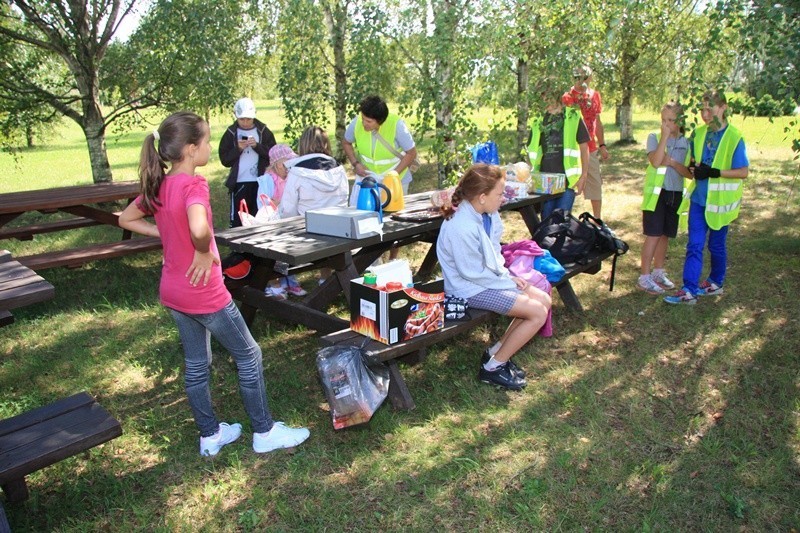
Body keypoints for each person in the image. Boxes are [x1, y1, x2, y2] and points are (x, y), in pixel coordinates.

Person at [119, 111, 309, 456]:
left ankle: (210, 435)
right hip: (204, 291)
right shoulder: (194, 184)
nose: (210, 146)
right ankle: (264, 432)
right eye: (206, 140)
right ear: (191, 149)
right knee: (250, 355)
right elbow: (198, 228)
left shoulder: (160, 184)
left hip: (173, 291)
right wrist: (204, 249)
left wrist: (165, 233)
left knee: (196, 364)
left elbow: (126, 218)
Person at [436, 164, 552, 391]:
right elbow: (471, 273)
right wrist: (507, 282)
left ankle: (495, 354)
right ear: (481, 197)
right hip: (468, 289)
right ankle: (493, 369)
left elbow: (494, 252)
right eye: (499, 194)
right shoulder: (461, 226)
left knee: (544, 300)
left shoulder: (486, 214)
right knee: (536, 313)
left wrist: (508, 275)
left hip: (486, 281)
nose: (503, 198)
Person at [664, 90, 749, 305]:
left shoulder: (734, 137)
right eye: (702, 109)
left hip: (720, 204)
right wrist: (695, 169)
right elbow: (694, 163)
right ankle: (689, 290)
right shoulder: (699, 134)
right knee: (694, 245)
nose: (705, 113)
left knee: (716, 246)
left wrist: (714, 172)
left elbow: (743, 171)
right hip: (699, 200)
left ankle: (715, 282)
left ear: (723, 108)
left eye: (710, 108)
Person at [343, 95, 417, 260]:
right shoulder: (356, 123)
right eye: (363, 118)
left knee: (393, 223)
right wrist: (356, 164)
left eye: (369, 121)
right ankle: (371, 261)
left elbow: (412, 153)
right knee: (366, 219)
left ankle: (393, 259)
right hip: (368, 178)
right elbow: (346, 142)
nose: (364, 123)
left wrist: (394, 174)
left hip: (394, 180)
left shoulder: (396, 124)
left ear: (380, 121)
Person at [639, 102, 692, 294]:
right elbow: (655, 161)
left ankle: (658, 272)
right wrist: (664, 138)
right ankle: (644, 276)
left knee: (665, 235)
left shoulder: (687, 142)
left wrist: (672, 162)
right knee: (653, 234)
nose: (666, 124)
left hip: (675, 193)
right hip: (656, 194)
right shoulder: (654, 137)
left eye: (670, 120)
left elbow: (689, 173)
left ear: (680, 121)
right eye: (663, 120)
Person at [527, 81, 590, 219]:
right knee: (546, 222)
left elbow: (584, 147)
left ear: (557, 96)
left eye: (547, 98)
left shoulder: (573, 116)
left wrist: (584, 176)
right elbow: (530, 150)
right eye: (542, 98)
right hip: (545, 183)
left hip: (568, 182)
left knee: (562, 222)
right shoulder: (538, 120)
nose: (545, 102)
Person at [258, 144, 308, 299]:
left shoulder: (292, 178)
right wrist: (279, 202)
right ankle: (274, 284)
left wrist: (280, 202)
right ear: (275, 164)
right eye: (285, 163)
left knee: (288, 253)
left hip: (288, 221)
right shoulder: (267, 180)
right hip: (272, 225)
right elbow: (264, 202)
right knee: (274, 255)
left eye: (291, 162)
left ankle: (290, 280)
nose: (288, 167)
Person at [219, 97, 276, 227]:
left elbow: (273, 154)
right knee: (240, 216)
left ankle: (258, 244)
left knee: (259, 215)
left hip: (260, 181)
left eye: (248, 119)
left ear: (254, 116)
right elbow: (224, 159)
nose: (245, 122)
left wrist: (257, 146)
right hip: (239, 182)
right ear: (236, 117)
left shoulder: (263, 131)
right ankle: (238, 246)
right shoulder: (231, 133)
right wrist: (238, 149)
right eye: (242, 119)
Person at [562, 66, 610, 218]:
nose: (580, 80)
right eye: (577, 76)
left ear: (589, 78)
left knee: (595, 184)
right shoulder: (567, 97)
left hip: (591, 147)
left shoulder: (595, 95)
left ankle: (597, 220)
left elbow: (597, 121)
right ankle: (563, 217)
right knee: (568, 185)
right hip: (572, 148)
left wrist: (602, 145)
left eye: (584, 76)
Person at [279, 126, 349, 218]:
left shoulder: (297, 172)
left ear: (303, 144)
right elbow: (344, 200)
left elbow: (288, 210)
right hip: (339, 223)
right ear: (326, 144)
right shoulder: (339, 169)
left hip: (305, 226)